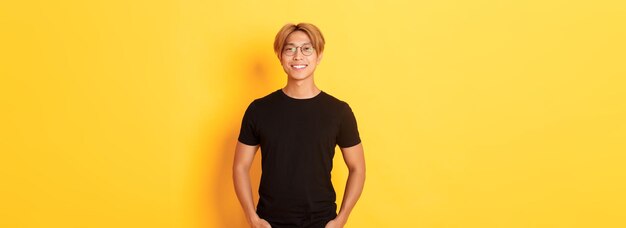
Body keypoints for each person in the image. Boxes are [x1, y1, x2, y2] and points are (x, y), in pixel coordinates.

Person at [233, 23, 366, 228]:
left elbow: (358, 168)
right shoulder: (259, 110)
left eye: (306, 48)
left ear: (319, 55)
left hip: (321, 221)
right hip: (270, 222)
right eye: (290, 49)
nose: (298, 56)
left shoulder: (339, 112)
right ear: (280, 56)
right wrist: (253, 219)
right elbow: (240, 167)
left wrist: (341, 219)